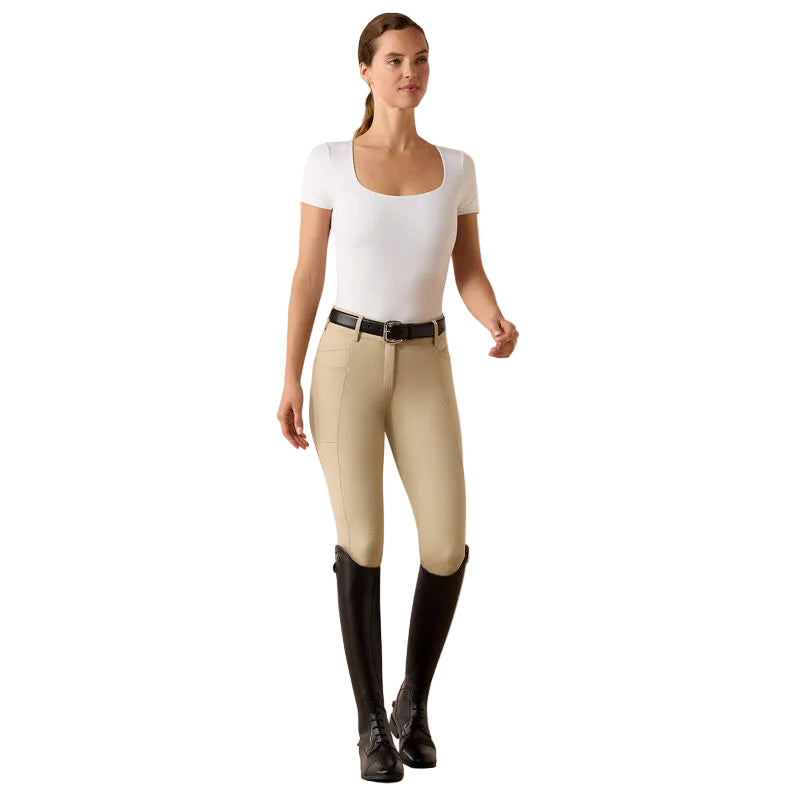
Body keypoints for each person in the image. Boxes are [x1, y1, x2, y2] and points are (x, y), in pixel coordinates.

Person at [278, 13, 519, 783]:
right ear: (365, 71)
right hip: (347, 361)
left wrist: (493, 317)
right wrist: (289, 375)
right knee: (366, 541)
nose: (408, 72)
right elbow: (307, 274)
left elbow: (467, 269)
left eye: (419, 59)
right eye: (392, 60)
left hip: (427, 362)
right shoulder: (327, 162)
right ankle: (370, 727)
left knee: (446, 544)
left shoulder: (458, 166)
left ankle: (412, 703)